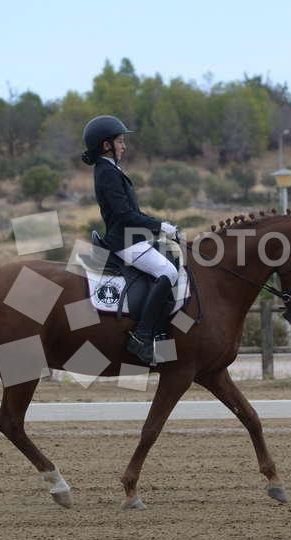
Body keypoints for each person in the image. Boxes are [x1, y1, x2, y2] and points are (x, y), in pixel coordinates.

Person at [81, 115, 180, 364]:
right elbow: (125, 215)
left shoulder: (111, 169)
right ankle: (141, 336)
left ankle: (160, 331)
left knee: (172, 260)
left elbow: (132, 212)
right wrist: (160, 226)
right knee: (168, 272)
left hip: (133, 238)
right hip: (124, 242)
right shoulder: (107, 172)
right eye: (120, 141)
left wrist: (156, 227)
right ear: (106, 145)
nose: (124, 146)